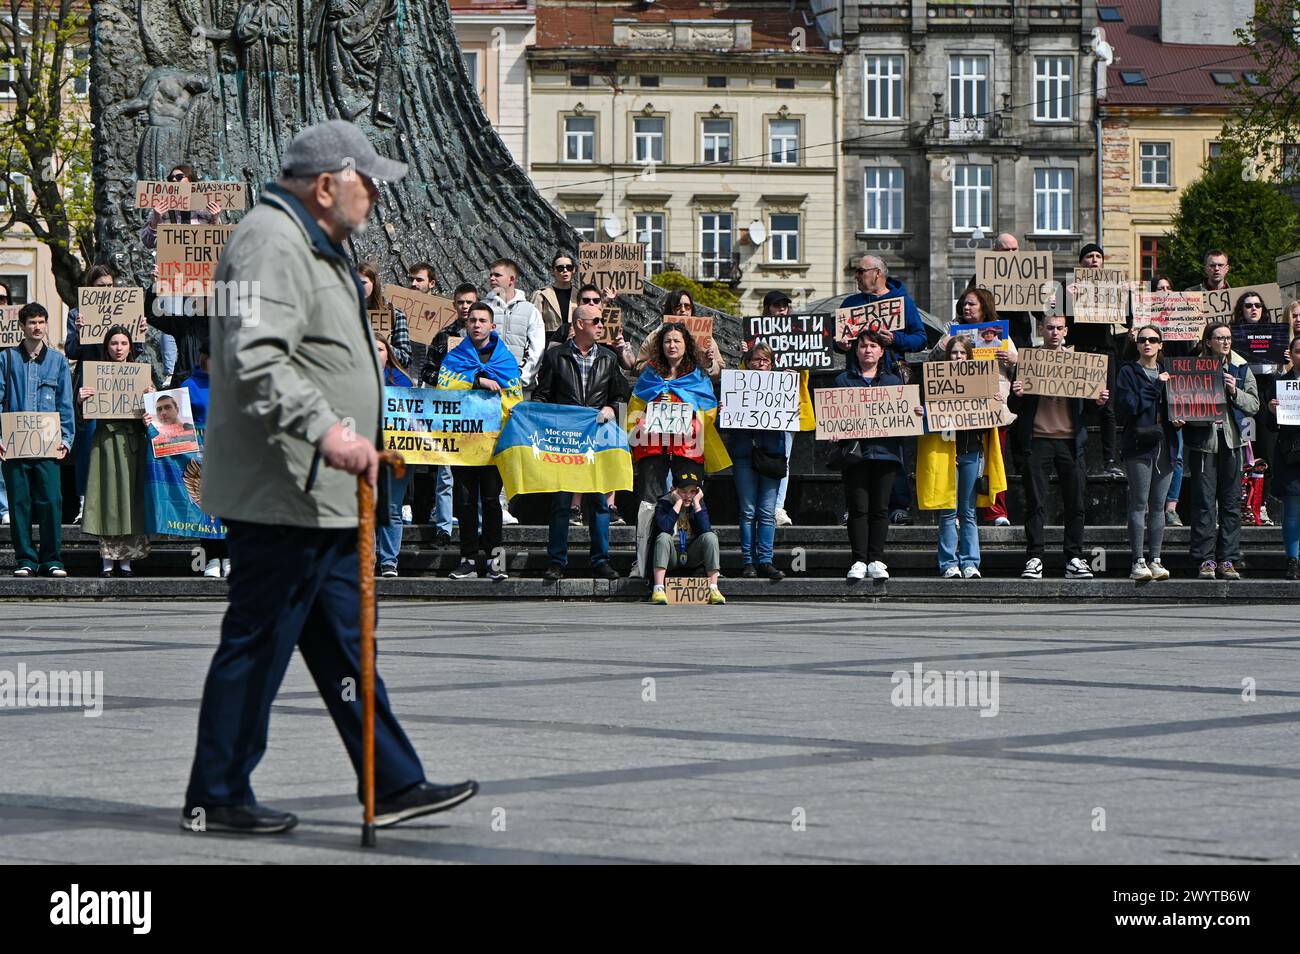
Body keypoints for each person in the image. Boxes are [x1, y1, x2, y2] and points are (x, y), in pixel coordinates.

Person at [186, 119, 477, 835]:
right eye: (367, 182)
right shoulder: (269, 242)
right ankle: (216, 794)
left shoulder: (316, 244)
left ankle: (394, 780)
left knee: (347, 642)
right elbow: (256, 358)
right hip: (286, 486)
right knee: (257, 642)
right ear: (325, 185)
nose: (375, 195)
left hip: (321, 493)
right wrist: (328, 429)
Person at [533, 302, 630, 583]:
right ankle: (556, 561)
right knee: (562, 503)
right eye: (596, 321)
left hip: (597, 439)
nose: (601, 325)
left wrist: (612, 408)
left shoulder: (609, 359)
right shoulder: (556, 356)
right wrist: (533, 415)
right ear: (579, 324)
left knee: (599, 502)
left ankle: (601, 560)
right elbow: (542, 395)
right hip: (566, 440)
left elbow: (620, 396)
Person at [1009, 312, 1110, 580]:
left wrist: (1098, 401)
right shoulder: (1028, 361)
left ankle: (1074, 557)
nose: (1055, 332)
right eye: (1050, 327)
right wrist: (1017, 394)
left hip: (1070, 442)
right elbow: (1013, 406)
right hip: (1038, 440)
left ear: (1066, 331)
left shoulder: (1079, 362)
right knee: (1035, 503)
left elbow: (1087, 409)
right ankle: (1034, 557)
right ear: (1041, 329)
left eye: (1059, 328)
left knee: (1075, 502)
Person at [630, 322, 721, 578]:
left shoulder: (697, 376)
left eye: (677, 341)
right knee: (649, 504)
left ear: (686, 345)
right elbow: (635, 407)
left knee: (691, 502)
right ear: (660, 345)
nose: (672, 345)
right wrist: (641, 420)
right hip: (653, 449)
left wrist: (692, 417)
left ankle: (693, 561)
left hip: (687, 450)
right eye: (667, 341)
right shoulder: (649, 374)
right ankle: (643, 562)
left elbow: (709, 411)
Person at [840, 255, 926, 526]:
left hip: (890, 380)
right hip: (857, 379)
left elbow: (920, 338)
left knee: (892, 445)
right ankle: (854, 505)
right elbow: (838, 339)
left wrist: (895, 339)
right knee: (853, 444)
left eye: (860, 271)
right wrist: (840, 345)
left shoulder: (903, 303)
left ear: (877, 274)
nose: (856, 276)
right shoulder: (850, 304)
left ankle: (898, 505)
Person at [440, 302, 521, 582]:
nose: (476, 324)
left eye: (482, 320)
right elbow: (444, 388)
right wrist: (478, 380)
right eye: (472, 320)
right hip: (463, 442)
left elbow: (515, 399)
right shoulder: (455, 357)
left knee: (490, 501)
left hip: (493, 443)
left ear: (492, 326)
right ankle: (468, 559)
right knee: (464, 501)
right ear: (466, 325)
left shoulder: (505, 359)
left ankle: (495, 561)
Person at [916, 335, 1006, 579]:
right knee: (947, 511)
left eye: (962, 353)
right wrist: (922, 413)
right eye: (954, 353)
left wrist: (997, 403)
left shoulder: (983, 383)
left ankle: (970, 563)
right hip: (946, 454)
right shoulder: (937, 382)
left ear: (969, 356)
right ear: (948, 356)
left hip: (971, 453)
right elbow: (929, 422)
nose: (958, 357)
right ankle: (948, 564)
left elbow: (994, 422)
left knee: (967, 512)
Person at [0, 303, 74, 577]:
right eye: (32, 322)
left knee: (51, 501)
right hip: (14, 445)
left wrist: (66, 439)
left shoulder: (58, 361)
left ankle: (52, 559)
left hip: (48, 444)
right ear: (22, 325)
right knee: (19, 503)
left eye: (42, 322)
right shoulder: (6, 359)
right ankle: (25, 560)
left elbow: (65, 403)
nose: (38, 327)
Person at [1181, 321, 1259, 581]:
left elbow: (1254, 404)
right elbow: (1183, 404)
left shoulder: (1240, 366)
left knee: (1230, 503)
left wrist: (1234, 390)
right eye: (1220, 338)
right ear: (1208, 342)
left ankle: (1228, 559)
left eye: (1228, 338)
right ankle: (1205, 559)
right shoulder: (1193, 367)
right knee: (1204, 502)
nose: (1225, 342)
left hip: (1233, 442)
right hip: (1205, 442)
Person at [934, 286, 1016, 526]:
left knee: (994, 459)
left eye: (972, 304)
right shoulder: (951, 329)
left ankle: (996, 511)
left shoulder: (1002, 333)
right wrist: (944, 344)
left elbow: (1018, 368)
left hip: (992, 406)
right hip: (958, 408)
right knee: (956, 460)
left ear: (984, 307)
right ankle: (956, 513)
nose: (966, 308)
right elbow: (932, 362)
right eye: (964, 304)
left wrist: (1013, 360)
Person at [79, 325, 156, 576]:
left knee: (130, 498)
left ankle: (127, 559)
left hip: (132, 443)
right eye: (114, 343)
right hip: (105, 442)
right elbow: (81, 418)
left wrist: (151, 403)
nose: (119, 348)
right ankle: (107, 558)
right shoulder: (93, 374)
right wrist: (80, 399)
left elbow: (156, 417)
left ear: (130, 347)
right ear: (106, 347)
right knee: (107, 497)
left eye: (123, 343)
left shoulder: (143, 376)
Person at [834, 329, 909, 580]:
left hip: (886, 455)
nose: (868, 349)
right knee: (858, 508)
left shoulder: (893, 383)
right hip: (856, 455)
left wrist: (914, 413)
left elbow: (903, 417)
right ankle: (858, 560)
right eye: (863, 345)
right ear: (856, 350)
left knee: (880, 508)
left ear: (881, 352)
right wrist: (833, 429)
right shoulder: (843, 381)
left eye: (873, 346)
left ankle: (876, 559)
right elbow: (833, 416)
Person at [142, 162, 225, 386]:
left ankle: (208, 369)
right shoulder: (162, 210)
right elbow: (148, 242)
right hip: (174, 277)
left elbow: (220, 244)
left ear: (192, 182)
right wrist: (156, 219)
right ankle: (172, 370)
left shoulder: (207, 209)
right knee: (174, 317)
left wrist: (216, 220)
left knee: (200, 323)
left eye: (179, 178)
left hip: (201, 279)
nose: (174, 182)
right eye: (171, 179)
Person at [1113, 325, 1177, 582]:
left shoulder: (1170, 371)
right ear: (1137, 344)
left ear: (1161, 344)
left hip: (1167, 443)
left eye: (1153, 340)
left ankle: (1156, 558)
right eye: (1142, 340)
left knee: (1159, 506)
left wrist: (1181, 417)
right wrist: (1155, 387)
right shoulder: (1128, 371)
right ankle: (1138, 560)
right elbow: (1127, 407)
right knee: (1139, 503)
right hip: (1139, 443)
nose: (1147, 343)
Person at [722, 342, 785, 581]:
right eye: (756, 360)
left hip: (771, 455)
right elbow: (724, 425)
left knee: (767, 512)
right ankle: (748, 562)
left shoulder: (781, 387)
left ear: (772, 365)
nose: (760, 364)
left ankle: (766, 561)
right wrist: (723, 411)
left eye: (765, 361)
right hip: (744, 455)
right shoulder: (735, 387)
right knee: (748, 511)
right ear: (747, 363)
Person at [1067, 243, 1123, 479]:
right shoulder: (1068, 287)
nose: (1094, 260)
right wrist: (1066, 298)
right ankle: (1077, 456)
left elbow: (1129, 319)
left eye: (1098, 256)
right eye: (1089, 256)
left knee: (1107, 407)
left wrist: (1127, 295)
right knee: (1078, 405)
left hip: (1105, 351)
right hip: (1080, 351)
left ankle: (1110, 459)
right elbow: (1049, 317)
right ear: (1081, 263)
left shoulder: (1113, 287)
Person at [648, 461, 726, 605]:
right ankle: (658, 589)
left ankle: (713, 588)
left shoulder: (697, 502)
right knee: (663, 537)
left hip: (691, 553)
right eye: (683, 491)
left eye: (692, 491)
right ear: (674, 490)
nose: (688, 496)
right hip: (670, 554)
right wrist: (677, 504)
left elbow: (705, 530)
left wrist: (697, 504)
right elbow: (664, 527)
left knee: (710, 537)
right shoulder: (664, 503)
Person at [1231, 290, 1277, 525]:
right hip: (1242, 396)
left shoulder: (1275, 335)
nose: (1253, 309)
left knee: (1266, 453)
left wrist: (1284, 359)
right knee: (1246, 452)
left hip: (1267, 394)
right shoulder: (1232, 336)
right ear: (1241, 310)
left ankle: (1261, 505)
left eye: (1258, 305)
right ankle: (1242, 505)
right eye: (1248, 305)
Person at [374, 333, 412, 578]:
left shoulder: (402, 381)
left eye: (380, 349)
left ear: (389, 353)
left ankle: (388, 561)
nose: (375, 353)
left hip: (396, 454)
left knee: (391, 508)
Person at [1266, 336, 1300, 580]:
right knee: (1292, 510)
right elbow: (1271, 427)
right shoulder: (1280, 383)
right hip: (1292, 454)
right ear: (1290, 354)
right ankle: (1293, 560)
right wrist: (1272, 410)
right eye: (1298, 351)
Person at [485, 258, 545, 392]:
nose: (492, 278)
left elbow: (537, 349)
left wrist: (521, 378)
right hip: (488, 386)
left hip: (519, 388)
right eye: (491, 275)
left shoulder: (530, 310)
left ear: (511, 279)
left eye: (497, 275)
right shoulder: (483, 308)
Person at [359, 262, 412, 368]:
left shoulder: (395, 315)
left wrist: (382, 347)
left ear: (374, 283)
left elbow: (405, 359)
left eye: (363, 283)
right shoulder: (343, 314)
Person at [531, 251, 578, 337]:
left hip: (574, 343)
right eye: (560, 268)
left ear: (574, 270)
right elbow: (533, 325)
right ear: (552, 271)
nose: (565, 270)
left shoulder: (580, 296)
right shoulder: (541, 295)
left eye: (569, 267)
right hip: (549, 343)